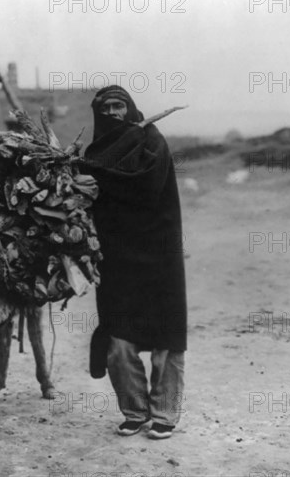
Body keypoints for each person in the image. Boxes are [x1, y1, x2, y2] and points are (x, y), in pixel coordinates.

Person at [79, 85, 187, 440]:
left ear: (131, 109)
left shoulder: (151, 141)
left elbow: (144, 188)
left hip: (159, 253)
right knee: (119, 338)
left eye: (119, 106)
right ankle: (135, 411)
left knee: (165, 338)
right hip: (117, 258)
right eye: (106, 107)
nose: (113, 113)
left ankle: (164, 414)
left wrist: (97, 182)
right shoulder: (94, 152)